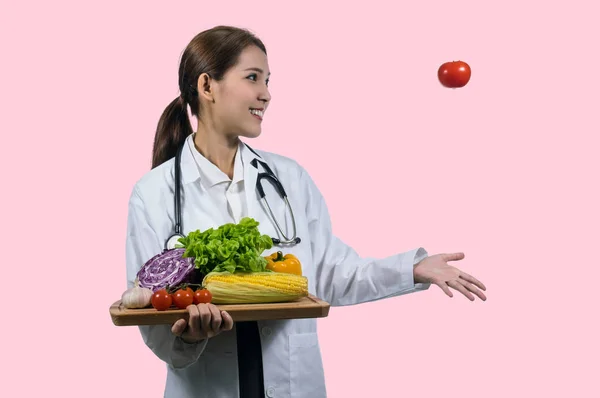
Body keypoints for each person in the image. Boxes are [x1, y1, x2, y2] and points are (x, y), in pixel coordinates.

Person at [125, 25, 487, 398]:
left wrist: (411, 268)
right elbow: (149, 318)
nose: (266, 94)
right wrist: (188, 339)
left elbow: (331, 276)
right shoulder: (153, 193)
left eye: (267, 81)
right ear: (207, 86)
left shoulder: (290, 179)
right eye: (253, 78)